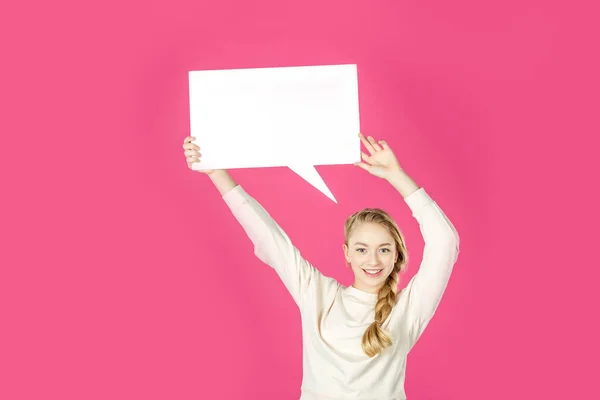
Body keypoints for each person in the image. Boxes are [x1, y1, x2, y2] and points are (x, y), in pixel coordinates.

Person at [182, 132, 460, 400]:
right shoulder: (319, 293)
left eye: (384, 250)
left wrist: (396, 175)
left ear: (396, 255)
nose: (373, 261)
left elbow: (445, 243)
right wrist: (217, 173)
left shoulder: (407, 309)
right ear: (347, 253)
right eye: (362, 249)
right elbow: (270, 238)